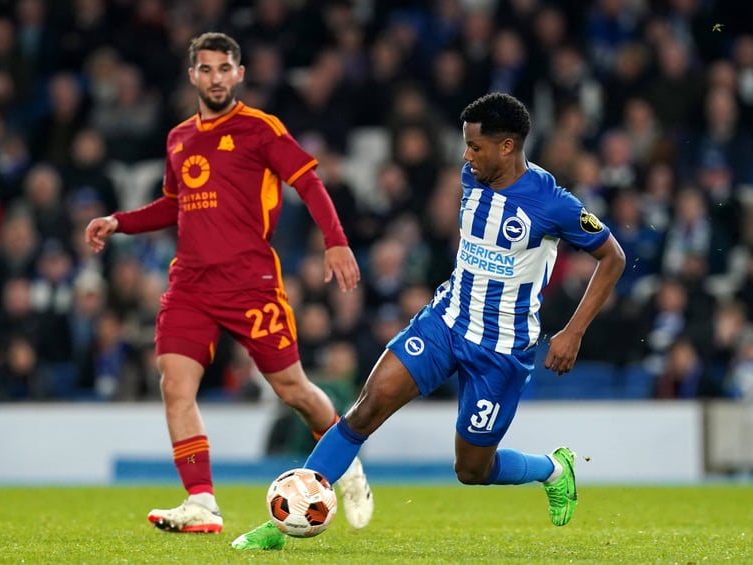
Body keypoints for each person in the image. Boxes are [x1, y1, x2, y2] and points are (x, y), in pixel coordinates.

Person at [232, 92, 626, 550]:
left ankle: (554, 469)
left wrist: (573, 331)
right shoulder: (473, 175)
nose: (466, 156)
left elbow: (613, 257)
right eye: (466, 145)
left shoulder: (553, 204)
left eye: (475, 146)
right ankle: (284, 524)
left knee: (471, 469)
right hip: (445, 322)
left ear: (507, 146)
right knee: (366, 409)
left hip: (500, 348)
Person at [84, 32, 373, 535]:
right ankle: (201, 501)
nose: (215, 78)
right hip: (190, 284)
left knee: (293, 389)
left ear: (238, 74)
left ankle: (346, 463)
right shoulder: (179, 138)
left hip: (250, 282)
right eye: (206, 69)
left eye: (224, 69)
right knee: (175, 384)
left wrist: (336, 241)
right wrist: (119, 222)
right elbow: (173, 205)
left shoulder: (261, 129)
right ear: (192, 75)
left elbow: (308, 182)